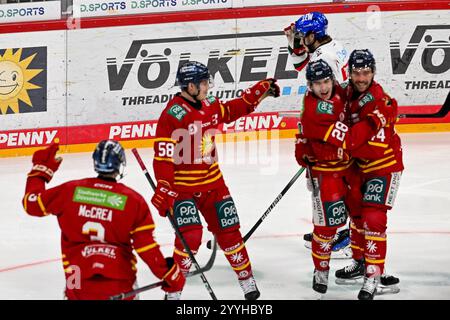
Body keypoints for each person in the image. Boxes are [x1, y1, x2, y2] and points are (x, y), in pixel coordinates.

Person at [150, 61, 280, 300]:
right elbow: (162, 157)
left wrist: (258, 93)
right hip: (183, 189)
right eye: (203, 83)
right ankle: (174, 293)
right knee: (190, 237)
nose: (207, 87)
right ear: (190, 86)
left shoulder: (209, 104)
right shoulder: (172, 115)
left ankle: (246, 281)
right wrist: (165, 187)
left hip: (213, 184)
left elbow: (233, 110)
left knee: (230, 231)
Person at [22, 140, 185, 300]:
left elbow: (31, 203)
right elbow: (146, 247)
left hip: (77, 284)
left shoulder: (70, 191)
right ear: (120, 164)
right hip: (119, 286)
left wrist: (40, 171)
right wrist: (170, 274)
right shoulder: (133, 201)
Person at [295, 59, 391, 295]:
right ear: (309, 85)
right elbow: (349, 139)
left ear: (334, 80)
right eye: (317, 83)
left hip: (351, 169)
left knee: (360, 218)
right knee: (327, 226)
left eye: (326, 81)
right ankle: (321, 269)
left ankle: (363, 264)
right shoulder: (315, 110)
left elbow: (370, 99)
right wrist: (378, 119)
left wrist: (388, 106)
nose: (323, 87)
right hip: (327, 174)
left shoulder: (341, 91)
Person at [316, 49, 404, 299]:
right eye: (357, 73)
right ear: (350, 73)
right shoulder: (345, 91)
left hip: (383, 164)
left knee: (373, 218)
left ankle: (375, 273)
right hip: (358, 166)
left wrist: (333, 145)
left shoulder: (378, 100)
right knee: (355, 214)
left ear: (373, 72)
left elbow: (358, 142)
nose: (361, 78)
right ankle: (360, 262)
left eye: (366, 73)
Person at [284, 11, 351, 253]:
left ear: (314, 35)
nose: (301, 39)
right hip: (339, 121)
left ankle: (347, 235)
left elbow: (336, 93)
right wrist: (293, 43)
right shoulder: (329, 47)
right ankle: (333, 229)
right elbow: (304, 66)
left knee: (339, 181)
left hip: (339, 124)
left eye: (303, 36)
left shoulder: (325, 57)